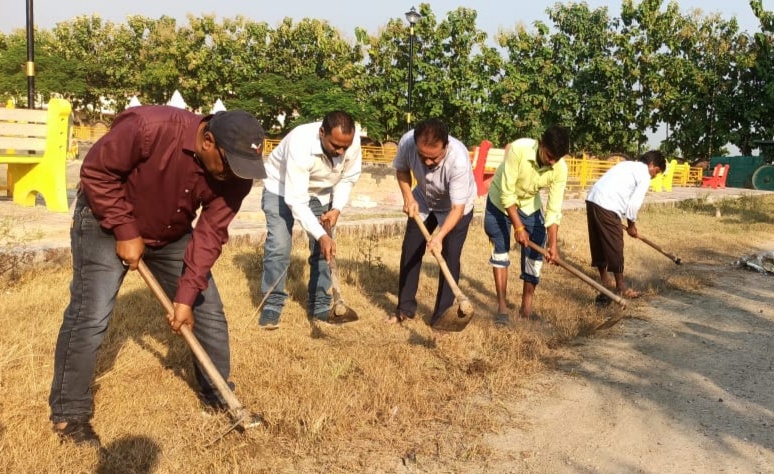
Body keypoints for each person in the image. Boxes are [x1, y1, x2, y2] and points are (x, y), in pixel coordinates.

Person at [49, 106, 267, 448]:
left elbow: (210, 234)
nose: (235, 175)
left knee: (207, 312)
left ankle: (218, 394)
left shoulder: (236, 174)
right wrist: (124, 228)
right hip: (105, 219)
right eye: (229, 164)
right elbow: (95, 173)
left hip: (170, 233)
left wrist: (186, 295)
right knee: (91, 315)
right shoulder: (148, 128)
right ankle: (68, 415)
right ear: (208, 141)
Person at [258, 111, 362, 329]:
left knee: (323, 250)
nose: (341, 152)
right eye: (336, 146)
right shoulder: (300, 143)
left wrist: (336, 208)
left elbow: (348, 177)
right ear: (322, 133)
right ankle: (272, 305)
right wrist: (322, 234)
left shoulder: (350, 142)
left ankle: (321, 305)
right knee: (279, 245)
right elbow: (296, 201)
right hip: (281, 187)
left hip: (322, 191)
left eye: (346, 146)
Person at [387, 118, 477, 326]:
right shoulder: (407, 142)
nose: (427, 163)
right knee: (410, 250)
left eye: (433, 158)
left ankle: (442, 317)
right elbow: (401, 170)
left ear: (445, 147)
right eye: (422, 157)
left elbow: (457, 209)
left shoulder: (459, 160)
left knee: (450, 256)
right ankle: (405, 310)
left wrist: (440, 237)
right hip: (423, 200)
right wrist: (408, 198)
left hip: (455, 207)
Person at [483, 125, 570, 326]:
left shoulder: (559, 168)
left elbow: (554, 208)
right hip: (500, 202)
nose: (552, 162)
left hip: (529, 204)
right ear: (541, 144)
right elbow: (507, 193)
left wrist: (553, 245)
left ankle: (526, 309)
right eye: (549, 156)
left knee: (536, 251)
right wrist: (519, 228)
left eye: (556, 158)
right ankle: (502, 308)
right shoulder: (518, 149)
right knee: (501, 250)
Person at [586, 150, 666, 302]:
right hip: (608, 205)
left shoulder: (626, 165)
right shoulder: (644, 175)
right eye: (656, 172)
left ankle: (605, 280)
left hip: (592, 199)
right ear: (651, 164)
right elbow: (633, 204)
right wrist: (632, 226)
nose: (654, 176)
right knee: (615, 245)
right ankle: (621, 286)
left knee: (598, 241)